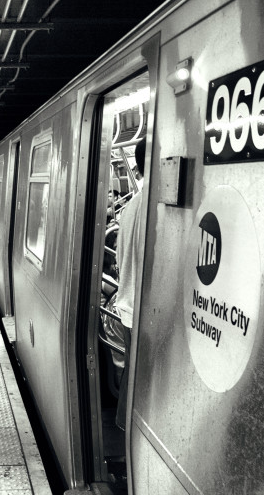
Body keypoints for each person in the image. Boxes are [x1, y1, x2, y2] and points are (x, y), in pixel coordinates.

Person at [113, 139, 145, 431]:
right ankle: (130, 448)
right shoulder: (155, 206)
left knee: (133, 376)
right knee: (142, 384)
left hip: (128, 307)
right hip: (143, 311)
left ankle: (126, 436)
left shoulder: (131, 207)